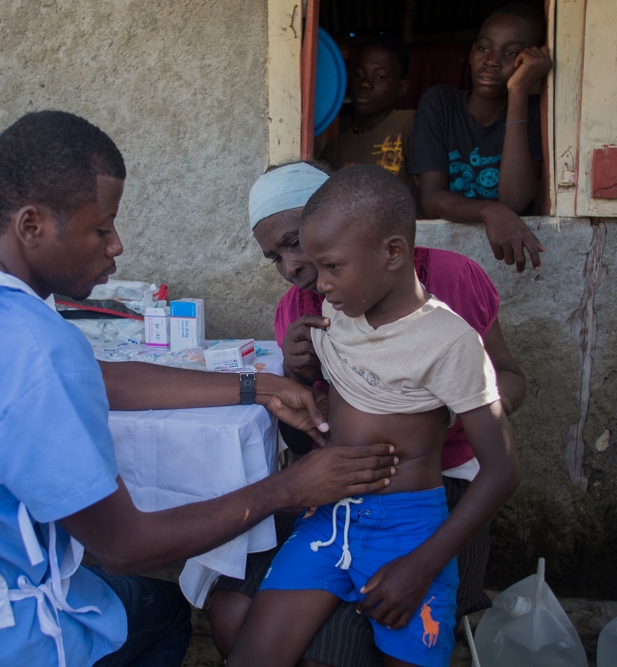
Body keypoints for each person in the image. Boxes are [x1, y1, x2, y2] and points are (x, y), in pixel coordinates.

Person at [0, 110, 399, 667]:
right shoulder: (32, 341)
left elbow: (96, 377)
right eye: (101, 227)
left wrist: (254, 386)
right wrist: (290, 488)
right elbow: (124, 547)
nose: (116, 245)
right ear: (32, 225)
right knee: (163, 614)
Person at [209, 161, 526, 667]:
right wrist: (299, 377)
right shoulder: (327, 307)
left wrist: (444, 403)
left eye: (309, 252)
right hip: (333, 509)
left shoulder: (446, 329)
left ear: (388, 249)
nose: (298, 270)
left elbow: (500, 455)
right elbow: (315, 432)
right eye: (279, 257)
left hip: (417, 510)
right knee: (237, 623)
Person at [408, 4, 552, 273]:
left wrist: (519, 91)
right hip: (442, 259)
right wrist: (489, 211)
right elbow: (432, 198)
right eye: (485, 48)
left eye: (511, 54)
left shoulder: (536, 113)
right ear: (472, 53)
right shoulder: (440, 104)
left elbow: (515, 201)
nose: (492, 61)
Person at [319, 37, 416, 199]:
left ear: (402, 87)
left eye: (380, 77)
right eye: (358, 74)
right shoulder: (335, 148)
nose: (365, 84)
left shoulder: (409, 125)